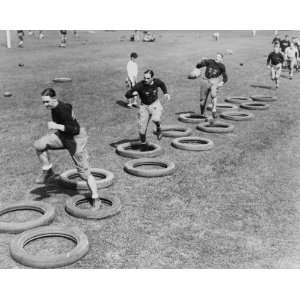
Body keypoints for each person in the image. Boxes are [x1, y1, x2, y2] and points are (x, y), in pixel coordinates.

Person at [33, 88, 102, 209]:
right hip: (63, 136)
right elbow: (69, 106)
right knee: (39, 144)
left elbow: (74, 129)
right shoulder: (55, 107)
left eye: (47, 102)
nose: (45, 105)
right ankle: (48, 171)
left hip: (76, 139)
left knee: (84, 174)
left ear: (54, 99)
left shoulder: (62, 109)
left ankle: (96, 198)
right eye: (43, 102)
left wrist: (56, 126)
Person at [124, 69, 170, 146]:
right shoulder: (140, 85)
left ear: (152, 78)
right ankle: (143, 144)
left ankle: (159, 128)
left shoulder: (156, 82)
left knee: (156, 119)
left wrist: (166, 93)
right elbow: (127, 94)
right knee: (141, 130)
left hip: (155, 104)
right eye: (144, 78)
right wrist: (132, 94)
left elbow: (162, 84)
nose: (146, 80)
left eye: (148, 78)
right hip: (144, 107)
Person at [190, 53, 228, 120]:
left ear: (221, 59)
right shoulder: (210, 61)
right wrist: (201, 62)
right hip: (205, 81)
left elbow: (225, 78)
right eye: (217, 56)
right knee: (202, 100)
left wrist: (221, 83)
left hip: (214, 81)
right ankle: (202, 113)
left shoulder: (222, 66)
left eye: (219, 57)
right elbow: (198, 66)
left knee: (213, 95)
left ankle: (214, 110)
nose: (217, 57)